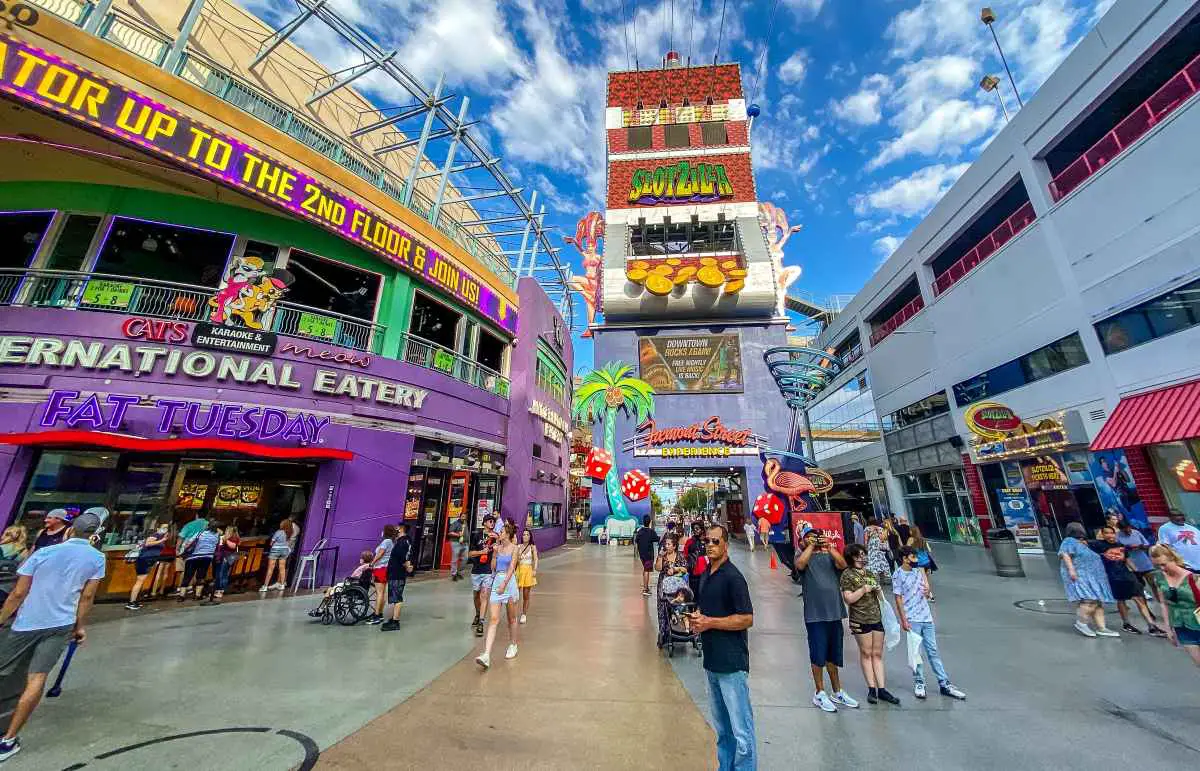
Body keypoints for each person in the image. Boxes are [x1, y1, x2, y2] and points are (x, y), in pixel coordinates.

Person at [0, 511, 105, 762]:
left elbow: (18, 592)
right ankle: (8, 740)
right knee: (37, 678)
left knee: (3, 668)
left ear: (69, 531)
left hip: (27, 621)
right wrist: (80, 627)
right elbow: (87, 597)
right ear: (95, 535)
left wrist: (2, 617)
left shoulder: (43, 553)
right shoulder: (97, 558)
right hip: (61, 623)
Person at [688, 525, 756, 771]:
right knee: (723, 729)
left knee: (741, 729)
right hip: (712, 662)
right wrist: (698, 620)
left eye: (715, 541)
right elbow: (708, 610)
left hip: (731, 663)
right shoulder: (707, 573)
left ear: (726, 544)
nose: (710, 545)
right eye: (707, 540)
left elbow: (747, 618)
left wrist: (710, 623)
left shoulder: (733, 577)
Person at [794, 525, 857, 713]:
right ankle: (819, 691)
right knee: (818, 654)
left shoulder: (830, 555)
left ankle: (837, 690)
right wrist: (811, 547)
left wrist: (829, 546)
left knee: (833, 654)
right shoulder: (802, 556)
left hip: (834, 612)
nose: (813, 539)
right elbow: (800, 566)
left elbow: (843, 565)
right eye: (809, 537)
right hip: (815, 615)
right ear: (803, 540)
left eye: (816, 537)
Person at [892, 546, 966, 700]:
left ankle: (944, 683)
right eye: (913, 557)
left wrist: (927, 592)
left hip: (926, 616)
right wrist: (903, 619)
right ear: (905, 558)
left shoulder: (919, 571)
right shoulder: (897, 575)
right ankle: (919, 682)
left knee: (933, 651)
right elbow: (898, 598)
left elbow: (927, 591)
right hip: (912, 618)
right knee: (916, 653)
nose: (916, 560)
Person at [840, 544, 899, 706]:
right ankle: (871, 688)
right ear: (851, 557)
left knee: (877, 654)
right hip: (860, 619)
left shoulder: (871, 573)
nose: (862, 558)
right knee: (866, 653)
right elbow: (848, 598)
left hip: (876, 617)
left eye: (864, 554)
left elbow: (880, 597)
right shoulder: (847, 575)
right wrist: (863, 589)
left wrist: (878, 590)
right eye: (858, 555)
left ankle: (882, 689)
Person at [1092, 525, 1165, 636]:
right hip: (1113, 577)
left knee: (1139, 599)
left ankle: (1151, 626)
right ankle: (1126, 623)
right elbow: (1082, 543)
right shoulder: (1098, 545)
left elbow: (1127, 559)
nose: (1109, 535)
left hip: (1127, 575)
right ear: (1102, 534)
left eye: (1111, 533)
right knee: (1121, 600)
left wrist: (1136, 571)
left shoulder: (1120, 545)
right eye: (1106, 533)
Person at [1058, 521, 1117, 637]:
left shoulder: (1083, 543)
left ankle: (1102, 628)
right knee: (1089, 600)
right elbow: (1065, 554)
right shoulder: (1069, 541)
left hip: (1094, 576)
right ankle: (1082, 623)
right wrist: (1071, 569)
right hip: (1082, 576)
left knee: (1097, 602)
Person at [475, 521, 520, 669]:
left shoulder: (515, 548)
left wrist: (504, 585)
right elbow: (493, 567)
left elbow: (512, 568)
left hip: (508, 583)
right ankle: (486, 654)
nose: (498, 534)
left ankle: (513, 644)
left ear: (507, 534)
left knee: (511, 618)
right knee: (493, 619)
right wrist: (494, 555)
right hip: (497, 581)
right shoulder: (497, 548)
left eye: (501, 532)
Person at [1147, 544, 1200, 667]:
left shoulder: (1194, 578)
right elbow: (1163, 603)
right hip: (1181, 626)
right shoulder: (1159, 578)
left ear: (1172, 558)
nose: (1162, 568)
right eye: (1157, 565)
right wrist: (1168, 627)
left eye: (1164, 564)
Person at [655, 535, 689, 647]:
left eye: (669, 544)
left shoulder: (680, 556)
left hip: (677, 588)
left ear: (674, 546)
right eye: (666, 544)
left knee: (678, 607)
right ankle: (664, 633)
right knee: (662, 608)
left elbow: (685, 569)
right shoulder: (663, 556)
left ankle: (679, 630)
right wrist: (660, 557)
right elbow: (658, 568)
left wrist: (675, 569)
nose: (666, 546)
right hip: (664, 585)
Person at [126, 523, 169, 610]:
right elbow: (148, 543)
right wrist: (162, 540)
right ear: (158, 528)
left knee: (141, 581)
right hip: (144, 560)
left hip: (148, 560)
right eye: (163, 527)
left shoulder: (160, 537)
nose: (165, 529)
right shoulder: (156, 535)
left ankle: (135, 600)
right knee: (140, 581)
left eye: (167, 528)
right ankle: (131, 602)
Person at [468, 514, 498, 636]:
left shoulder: (496, 537)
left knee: (484, 596)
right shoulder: (477, 535)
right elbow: (470, 553)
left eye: (493, 522)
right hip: (476, 569)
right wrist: (481, 552)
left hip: (487, 570)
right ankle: (477, 613)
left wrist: (498, 539)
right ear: (484, 523)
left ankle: (481, 622)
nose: (492, 523)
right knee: (476, 595)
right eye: (490, 521)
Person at [176, 521, 219, 601]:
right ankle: (197, 595)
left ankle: (181, 596)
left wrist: (184, 550)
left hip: (193, 557)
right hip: (207, 557)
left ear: (208, 526)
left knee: (187, 576)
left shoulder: (201, 533)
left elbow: (189, 543)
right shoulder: (216, 535)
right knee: (201, 576)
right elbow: (216, 545)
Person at [381, 524, 413, 632]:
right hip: (397, 572)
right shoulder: (405, 542)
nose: (395, 530)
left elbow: (403, 558)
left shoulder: (402, 543)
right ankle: (393, 618)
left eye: (397, 528)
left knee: (397, 597)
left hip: (397, 573)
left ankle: (395, 622)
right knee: (395, 596)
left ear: (401, 529)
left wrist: (407, 566)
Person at [363, 525, 397, 624]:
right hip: (386, 569)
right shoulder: (391, 542)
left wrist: (372, 563)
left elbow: (380, 554)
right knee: (382, 593)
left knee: (379, 593)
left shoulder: (386, 542)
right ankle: (380, 613)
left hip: (380, 569)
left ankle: (377, 615)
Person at [206, 525, 241, 605]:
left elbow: (233, 546)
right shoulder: (224, 537)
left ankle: (221, 590)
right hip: (220, 558)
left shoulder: (233, 538)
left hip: (226, 558)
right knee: (219, 573)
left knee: (222, 574)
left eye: (226, 530)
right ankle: (217, 589)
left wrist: (224, 537)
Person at [259, 518, 295, 593]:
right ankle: (282, 585)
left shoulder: (278, 532)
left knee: (270, 568)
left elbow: (271, 543)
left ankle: (265, 586)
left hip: (276, 550)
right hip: (284, 550)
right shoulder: (289, 533)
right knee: (282, 568)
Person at [907, 525, 938, 601]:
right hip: (927, 562)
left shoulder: (911, 539)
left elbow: (907, 549)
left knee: (924, 580)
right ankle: (929, 594)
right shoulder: (923, 539)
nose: (909, 532)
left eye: (910, 530)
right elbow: (929, 550)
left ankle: (929, 596)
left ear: (912, 531)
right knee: (927, 579)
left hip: (919, 563)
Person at [516, 528, 538, 624]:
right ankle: (514, 613)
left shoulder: (533, 547)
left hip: (528, 571)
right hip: (519, 571)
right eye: (524, 534)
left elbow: (536, 559)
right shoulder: (518, 547)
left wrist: (534, 569)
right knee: (515, 595)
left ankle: (524, 614)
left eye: (527, 535)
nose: (525, 536)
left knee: (526, 595)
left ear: (530, 537)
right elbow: (514, 560)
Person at [634, 516, 660, 597]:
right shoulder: (651, 532)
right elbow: (656, 539)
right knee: (647, 571)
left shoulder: (640, 531)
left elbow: (636, 540)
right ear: (650, 522)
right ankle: (645, 589)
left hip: (642, 555)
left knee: (645, 569)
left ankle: (646, 586)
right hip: (648, 555)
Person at [684, 521, 708, 599]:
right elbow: (685, 555)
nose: (695, 531)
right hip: (693, 573)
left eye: (697, 529)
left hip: (706, 573)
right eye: (694, 529)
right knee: (693, 595)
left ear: (702, 529)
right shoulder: (690, 541)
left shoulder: (707, 541)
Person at [864, 519, 890, 584]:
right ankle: (885, 578)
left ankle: (875, 578)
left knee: (872, 561)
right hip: (878, 546)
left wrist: (865, 547)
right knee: (881, 561)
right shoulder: (880, 528)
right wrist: (878, 532)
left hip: (871, 547)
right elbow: (882, 538)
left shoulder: (867, 528)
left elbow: (866, 539)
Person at [448, 513, 468, 581]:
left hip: (465, 543)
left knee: (465, 559)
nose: (464, 518)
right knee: (455, 559)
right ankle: (454, 574)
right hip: (456, 543)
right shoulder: (455, 523)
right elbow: (450, 532)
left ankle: (459, 572)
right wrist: (457, 535)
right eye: (462, 516)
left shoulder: (465, 524)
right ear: (460, 517)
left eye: (465, 517)